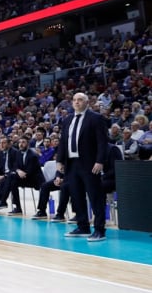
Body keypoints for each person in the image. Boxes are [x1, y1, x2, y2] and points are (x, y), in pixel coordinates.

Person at [57, 92, 109, 242]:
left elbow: (102, 142)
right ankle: (83, 226)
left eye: (80, 100)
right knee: (76, 196)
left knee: (95, 196)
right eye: (74, 100)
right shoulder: (67, 120)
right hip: (71, 164)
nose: (76, 102)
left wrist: (100, 161)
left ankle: (100, 229)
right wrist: (59, 161)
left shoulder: (96, 118)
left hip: (90, 164)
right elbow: (63, 142)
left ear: (87, 102)